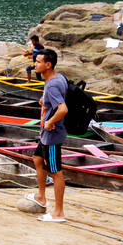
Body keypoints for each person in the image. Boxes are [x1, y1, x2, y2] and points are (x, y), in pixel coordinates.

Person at [30, 48, 68, 222]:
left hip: (52, 135)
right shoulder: (58, 78)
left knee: (55, 172)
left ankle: (58, 213)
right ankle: (41, 197)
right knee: (37, 159)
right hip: (47, 135)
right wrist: (45, 99)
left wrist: (50, 121)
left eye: (38, 62)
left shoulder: (52, 84)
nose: (34, 64)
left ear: (48, 64)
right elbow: (56, 99)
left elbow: (63, 109)